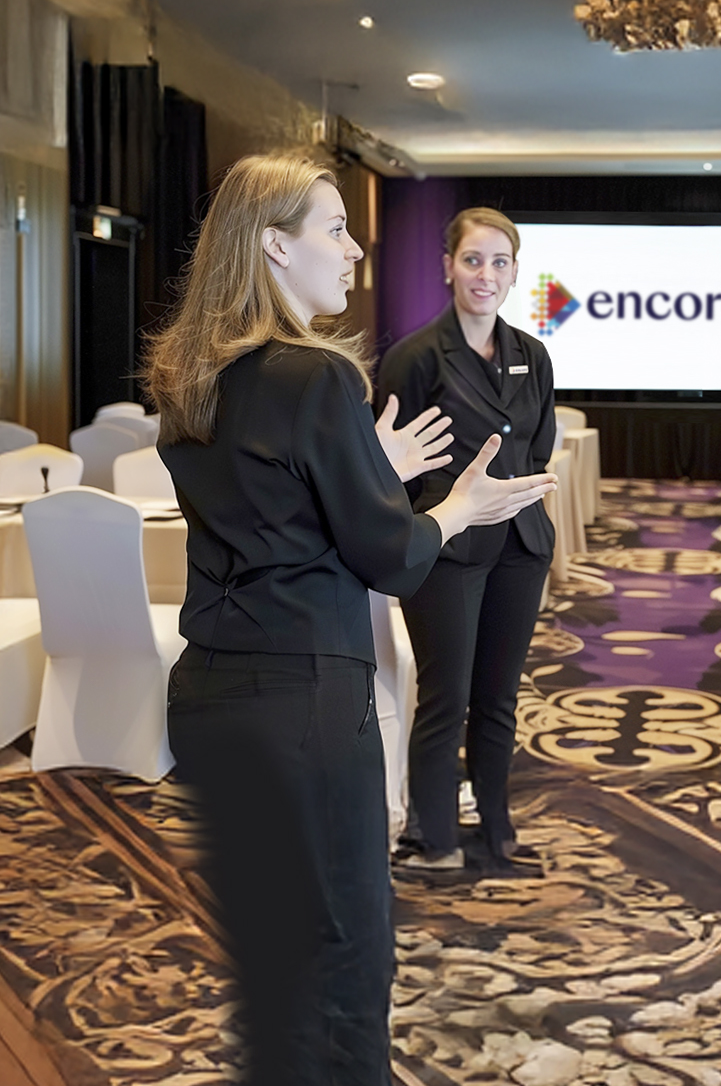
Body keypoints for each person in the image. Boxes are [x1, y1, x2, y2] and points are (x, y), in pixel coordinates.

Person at [145, 156, 555, 1085]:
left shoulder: (192, 373)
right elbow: (388, 555)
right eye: (334, 228)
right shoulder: (314, 375)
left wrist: (364, 458)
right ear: (274, 243)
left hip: (211, 690)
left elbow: (274, 507)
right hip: (305, 702)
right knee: (345, 956)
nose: (355, 247)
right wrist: (456, 509)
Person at [378, 207, 556, 874]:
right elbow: (394, 464)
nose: (486, 274)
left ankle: (497, 828)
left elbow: (538, 447)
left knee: (498, 697)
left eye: (499, 261)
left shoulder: (529, 356)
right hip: (446, 548)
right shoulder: (415, 357)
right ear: (447, 266)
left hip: (519, 543)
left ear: (515, 271)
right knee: (445, 695)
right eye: (473, 259)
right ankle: (434, 838)